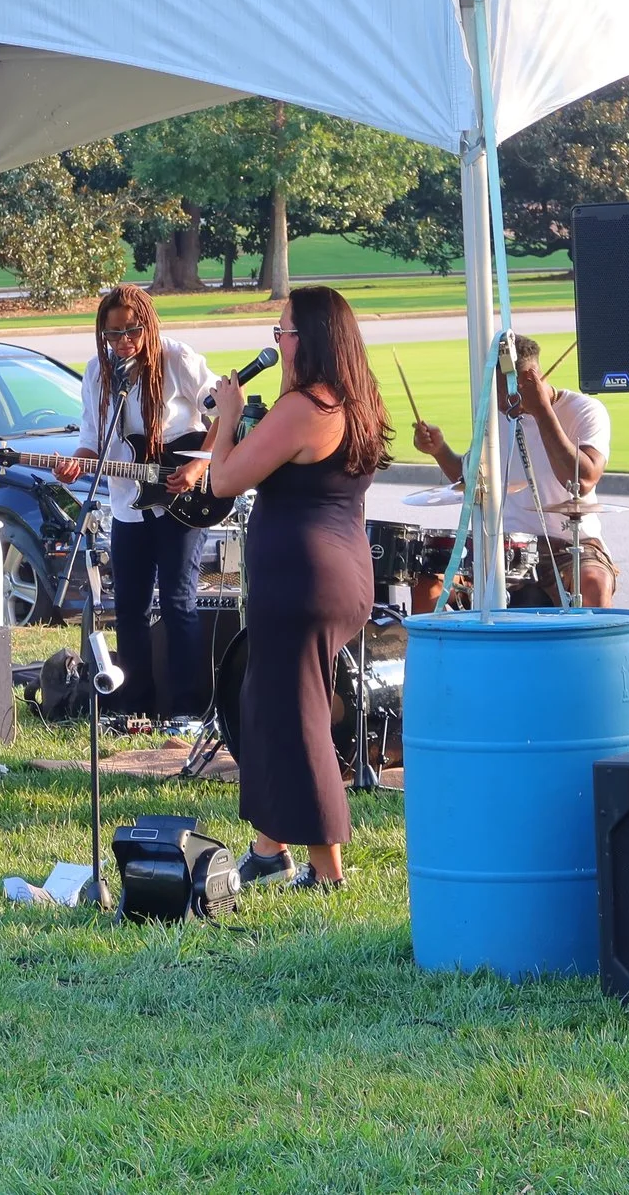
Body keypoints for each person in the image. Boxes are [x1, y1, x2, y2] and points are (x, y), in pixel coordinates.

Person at [204, 284, 388, 893]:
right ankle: (267, 845)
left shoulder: (305, 406)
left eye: (283, 331)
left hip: (301, 578)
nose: (277, 342)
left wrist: (229, 417)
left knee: (298, 717)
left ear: (309, 339)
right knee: (268, 704)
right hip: (342, 570)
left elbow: (225, 479)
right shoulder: (355, 401)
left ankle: (327, 867)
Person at [51, 287, 217, 718]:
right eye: (113, 334)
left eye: (131, 330)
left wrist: (197, 469)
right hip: (129, 506)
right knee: (128, 609)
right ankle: (135, 709)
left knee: (178, 602)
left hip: (182, 501)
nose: (123, 341)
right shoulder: (98, 373)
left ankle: (187, 713)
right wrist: (75, 465)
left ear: (148, 322)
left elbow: (226, 413)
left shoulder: (177, 357)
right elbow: (92, 442)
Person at [410, 334, 617, 607]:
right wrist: (440, 451)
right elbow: (472, 478)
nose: (497, 401)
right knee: (429, 580)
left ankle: (594, 651)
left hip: (570, 545)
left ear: (529, 380)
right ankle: (438, 651)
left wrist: (542, 411)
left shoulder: (584, 410)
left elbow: (582, 479)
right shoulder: (496, 417)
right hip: (505, 546)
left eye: (502, 392)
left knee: (593, 582)